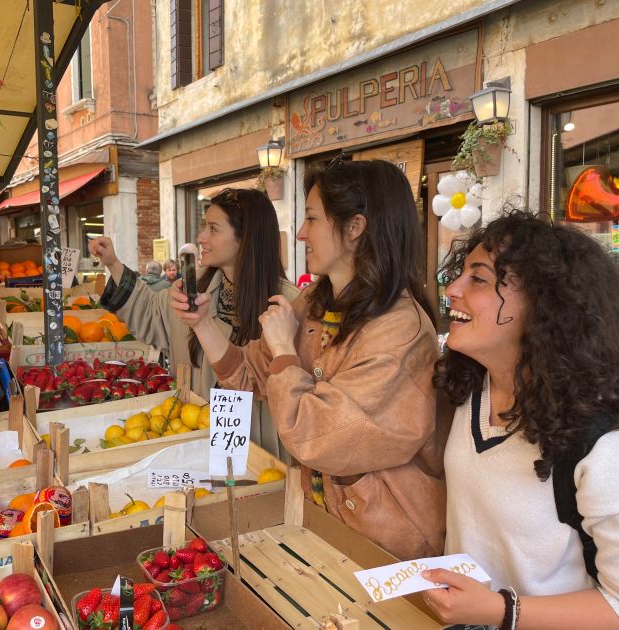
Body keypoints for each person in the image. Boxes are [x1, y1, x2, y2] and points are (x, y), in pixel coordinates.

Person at [171, 159, 445, 560]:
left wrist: (284, 350)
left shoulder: (399, 330)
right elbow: (250, 376)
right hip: (324, 519)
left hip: (386, 540)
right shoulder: (318, 302)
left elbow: (320, 439)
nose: (300, 234)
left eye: (312, 219)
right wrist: (203, 323)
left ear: (355, 228)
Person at [420, 210, 619, 629]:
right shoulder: (467, 389)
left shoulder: (599, 440)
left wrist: (502, 610)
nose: (451, 288)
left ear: (545, 304)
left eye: (478, 279)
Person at [89, 188, 298, 458]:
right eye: (204, 227)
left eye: (213, 229)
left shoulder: (288, 305)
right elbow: (151, 312)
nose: (201, 238)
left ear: (245, 237)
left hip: (264, 444)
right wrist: (113, 263)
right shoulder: (193, 287)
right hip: (194, 428)